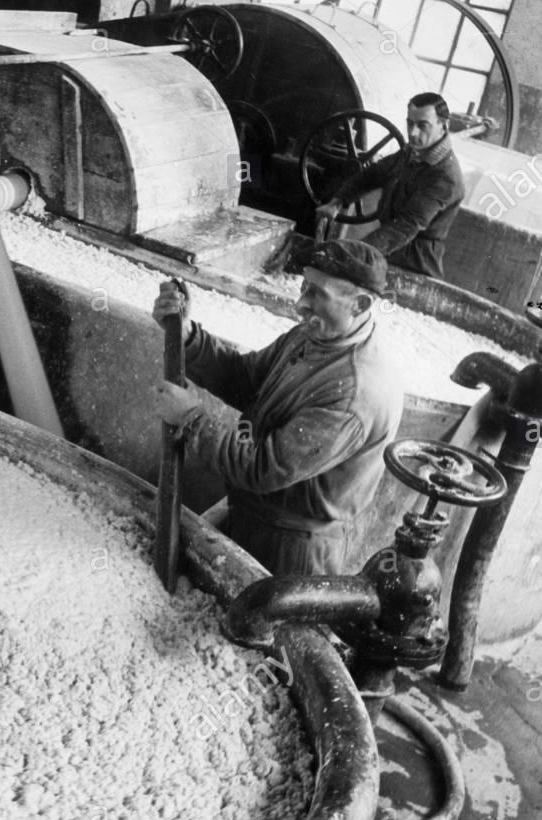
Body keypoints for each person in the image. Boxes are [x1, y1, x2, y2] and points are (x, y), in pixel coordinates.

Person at [152, 240, 404, 576]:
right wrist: (188, 338)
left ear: (359, 304)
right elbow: (245, 379)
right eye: (304, 287)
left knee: (259, 624)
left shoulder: (354, 394)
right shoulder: (314, 336)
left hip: (291, 552)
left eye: (317, 293)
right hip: (255, 517)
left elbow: (263, 469)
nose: (301, 304)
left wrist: (191, 418)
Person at [314, 92, 465, 280]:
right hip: (390, 250)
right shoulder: (411, 153)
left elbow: (405, 226)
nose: (412, 132)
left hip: (415, 264)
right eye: (410, 123)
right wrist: (336, 202)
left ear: (444, 126)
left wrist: (356, 253)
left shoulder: (444, 176)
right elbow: (371, 175)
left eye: (422, 125)